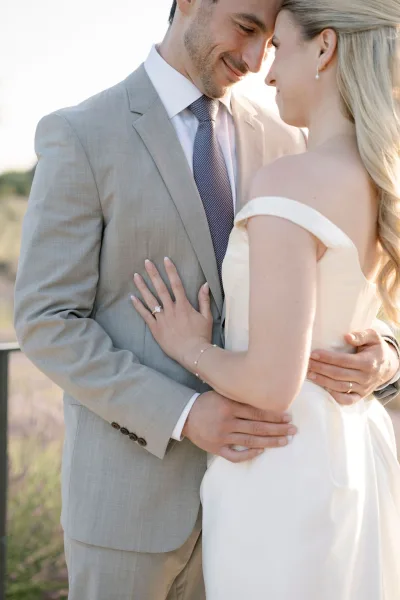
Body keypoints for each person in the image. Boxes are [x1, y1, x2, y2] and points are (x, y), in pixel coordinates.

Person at [14, 0, 399, 598]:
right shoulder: (82, 134)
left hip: (272, 499)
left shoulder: (287, 137)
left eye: (269, 42)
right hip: (132, 509)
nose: (252, 60)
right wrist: (184, 414)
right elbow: (46, 320)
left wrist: (386, 352)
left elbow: (343, 276)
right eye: (245, 29)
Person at [130, 1, 400, 598]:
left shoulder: (290, 177)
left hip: (282, 467)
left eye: (278, 48)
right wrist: (385, 346)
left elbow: (273, 383)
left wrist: (189, 345)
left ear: (324, 49)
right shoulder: (379, 176)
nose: (266, 72)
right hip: (354, 454)